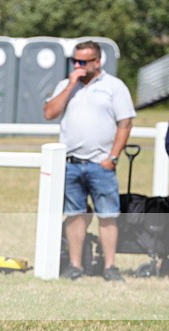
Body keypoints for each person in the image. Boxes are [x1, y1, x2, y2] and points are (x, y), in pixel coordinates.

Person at [44, 40, 135, 282]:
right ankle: (75, 266)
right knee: (75, 215)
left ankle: (110, 267)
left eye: (83, 61)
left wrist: (112, 157)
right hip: (71, 164)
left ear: (97, 62)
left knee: (108, 215)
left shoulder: (115, 87)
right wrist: (71, 84)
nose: (78, 65)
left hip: (101, 164)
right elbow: (49, 113)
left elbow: (125, 123)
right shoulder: (66, 84)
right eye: (75, 61)